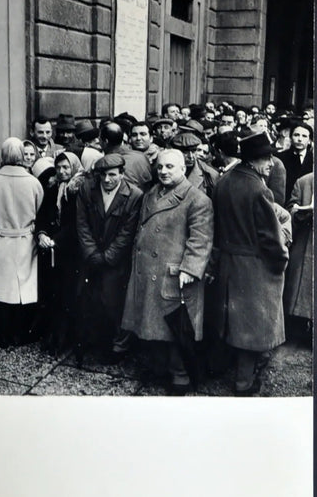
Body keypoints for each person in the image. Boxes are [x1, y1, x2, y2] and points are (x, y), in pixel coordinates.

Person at [121, 149, 214, 395]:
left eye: (170, 167)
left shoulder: (197, 199)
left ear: (183, 169)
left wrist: (190, 269)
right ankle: (161, 369)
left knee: (177, 329)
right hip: (150, 270)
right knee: (156, 327)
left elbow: (201, 239)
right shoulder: (152, 193)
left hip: (175, 276)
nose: (163, 171)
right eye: (160, 166)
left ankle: (180, 377)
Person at [212, 131, 289, 395]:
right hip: (255, 267)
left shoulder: (223, 182)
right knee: (252, 327)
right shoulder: (259, 189)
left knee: (233, 323)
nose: (270, 164)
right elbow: (270, 237)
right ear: (253, 161)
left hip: (228, 262)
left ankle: (229, 369)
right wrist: (280, 262)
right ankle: (243, 383)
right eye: (266, 158)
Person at [0, 137, 44, 348]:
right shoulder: (33, 182)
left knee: (1, 289)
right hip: (25, 239)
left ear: (3, 156)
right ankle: (21, 333)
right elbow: (39, 208)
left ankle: (3, 335)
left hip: (0, 240)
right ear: (23, 156)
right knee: (24, 289)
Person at [76, 153, 143, 362]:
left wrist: (108, 257)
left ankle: (116, 346)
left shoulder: (134, 195)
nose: (107, 180)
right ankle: (92, 340)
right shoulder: (87, 189)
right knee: (87, 298)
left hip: (115, 260)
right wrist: (92, 254)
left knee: (113, 302)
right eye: (103, 175)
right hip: (91, 256)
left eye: (112, 175)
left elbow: (127, 232)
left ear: (122, 174)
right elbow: (82, 224)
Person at [35, 151, 86, 353]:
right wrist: (42, 234)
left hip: (70, 251)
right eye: (59, 167)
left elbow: (77, 223)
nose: (62, 171)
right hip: (52, 249)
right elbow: (43, 214)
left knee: (68, 294)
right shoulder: (52, 187)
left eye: (66, 167)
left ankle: (64, 339)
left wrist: (57, 239)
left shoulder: (78, 191)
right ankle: (52, 336)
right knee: (52, 293)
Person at [283, 172, 313, 345]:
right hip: (304, 243)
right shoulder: (303, 182)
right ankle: (300, 328)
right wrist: (300, 212)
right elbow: (289, 211)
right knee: (300, 288)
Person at [100, 121, 153, 192]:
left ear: (105, 142)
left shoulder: (110, 162)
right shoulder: (142, 156)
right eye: (134, 135)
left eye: (143, 134)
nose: (138, 138)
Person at [171, 132, 219, 198]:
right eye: (185, 152)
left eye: (193, 151)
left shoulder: (209, 174)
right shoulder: (166, 169)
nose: (190, 156)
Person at [278, 122, 313, 200]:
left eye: (304, 136)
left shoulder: (313, 159)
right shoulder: (280, 158)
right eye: (296, 135)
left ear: (310, 140)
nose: (300, 139)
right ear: (290, 137)